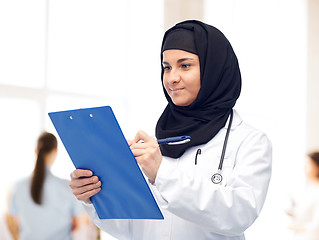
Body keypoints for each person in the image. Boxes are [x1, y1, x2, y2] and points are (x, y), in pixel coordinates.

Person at [69, 20, 272, 239]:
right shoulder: (156, 140)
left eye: (185, 65)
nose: (172, 78)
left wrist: (161, 173)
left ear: (214, 69)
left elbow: (237, 216)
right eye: (167, 67)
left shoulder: (249, 141)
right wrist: (95, 197)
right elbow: (131, 228)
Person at [9, 132, 84, 240]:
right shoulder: (68, 187)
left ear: (36, 151)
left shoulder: (17, 187)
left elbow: (16, 224)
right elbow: (77, 226)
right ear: (55, 152)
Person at [286, 151, 319, 240]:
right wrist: (293, 212)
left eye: (308, 165)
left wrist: (297, 227)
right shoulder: (311, 188)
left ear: (318, 168)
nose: (304, 168)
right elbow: (306, 213)